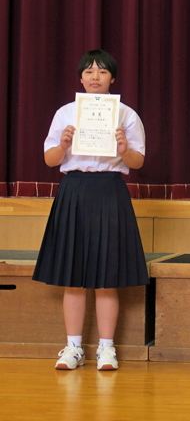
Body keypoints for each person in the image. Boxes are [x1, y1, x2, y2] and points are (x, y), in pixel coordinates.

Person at [33, 49, 149, 371]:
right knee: (73, 276)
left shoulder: (125, 114)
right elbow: (50, 159)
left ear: (113, 77)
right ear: (80, 78)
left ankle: (106, 349)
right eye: (88, 71)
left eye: (101, 71)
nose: (94, 76)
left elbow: (138, 162)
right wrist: (64, 145)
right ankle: (73, 348)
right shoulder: (65, 113)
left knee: (106, 277)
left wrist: (124, 150)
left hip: (111, 189)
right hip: (74, 190)